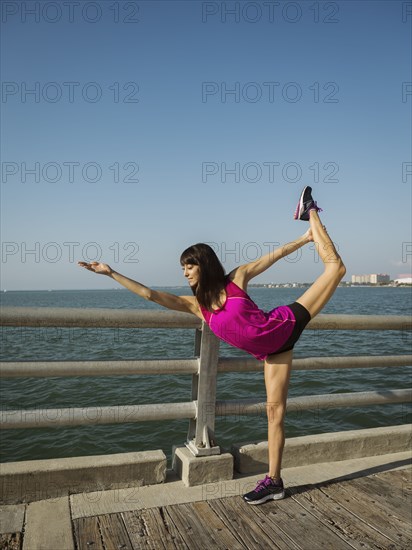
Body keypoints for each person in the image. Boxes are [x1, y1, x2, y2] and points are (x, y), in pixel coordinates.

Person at [78, 186, 346, 505]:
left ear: (203, 263)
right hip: (274, 352)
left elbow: (273, 256)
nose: (185, 272)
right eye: (182, 268)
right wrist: (111, 273)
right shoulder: (197, 306)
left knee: (336, 268)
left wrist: (304, 240)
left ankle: (311, 209)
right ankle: (274, 482)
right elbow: (152, 295)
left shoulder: (236, 279)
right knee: (275, 416)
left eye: (189, 266)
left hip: (286, 322)